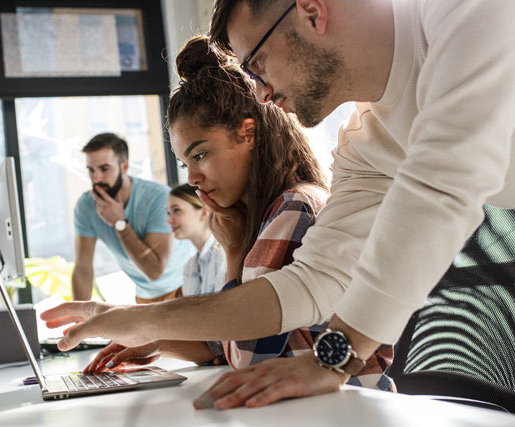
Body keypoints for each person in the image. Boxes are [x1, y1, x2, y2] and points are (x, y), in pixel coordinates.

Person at [45, 0, 514, 409]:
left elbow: (442, 185)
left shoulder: (465, 11)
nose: (261, 92)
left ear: (311, 11)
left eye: (257, 63)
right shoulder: (367, 143)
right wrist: (142, 321)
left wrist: (334, 360)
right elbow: (312, 282)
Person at [62, 37, 393, 392]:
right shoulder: (266, 213)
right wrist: (159, 340)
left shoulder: (294, 207)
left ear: (247, 133)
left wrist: (233, 253)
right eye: (184, 163)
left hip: (356, 408)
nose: (191, 178)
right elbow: (226, 342)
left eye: (200, 155)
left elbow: (247, 356)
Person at [72, 132, 193, 304]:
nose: (96, 178)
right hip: (146, 297)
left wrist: (119, 223)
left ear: (124, 167)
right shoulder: (86, 206)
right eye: (91, 170)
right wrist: (78, 318)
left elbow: (154, 271)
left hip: (186, 287)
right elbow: (83, 269)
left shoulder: (158, 198)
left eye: (104, 169)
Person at [167, 184, 226, 297]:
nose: (169, 220)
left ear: (204, 212)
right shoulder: (189, 267)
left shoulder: (224, 257)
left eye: (177, 210)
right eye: (168, 213)